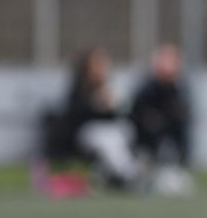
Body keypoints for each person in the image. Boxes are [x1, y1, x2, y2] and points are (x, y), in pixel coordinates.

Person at [64, 46, 139, 188]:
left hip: (112, 130)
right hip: (88, 131)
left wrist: (114, 106)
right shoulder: (80, 86)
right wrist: (96, 104)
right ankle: (130, 174)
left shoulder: (112, 85)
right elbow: (74, 114)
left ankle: (118, 175)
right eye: (97, 63)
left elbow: (126, 112)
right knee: (108, 139)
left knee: (119, 135)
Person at [130, 44, 192, 168]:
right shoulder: (146, 88)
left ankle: (180, 165)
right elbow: (137, 113)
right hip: (146, 136)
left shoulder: (179, 89)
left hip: (170, 134)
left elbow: (181, 114)